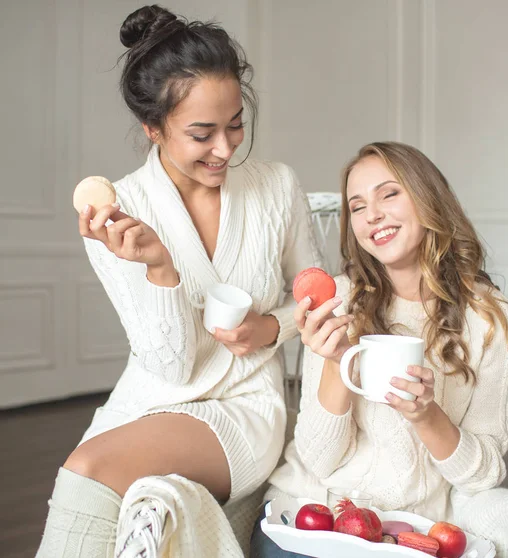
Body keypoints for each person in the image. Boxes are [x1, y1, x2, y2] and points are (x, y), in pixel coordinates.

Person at [36, 5, 321, 557]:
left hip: (245, 403)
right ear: (152, 128)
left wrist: (271, 328)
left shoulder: (277, 187)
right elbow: (170, 366)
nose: (225, 148)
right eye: (201, 133)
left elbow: (320, 293)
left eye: (235, 123)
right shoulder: (120, 211)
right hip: (150, 400)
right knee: (87, 476)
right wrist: (161, 271)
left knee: (88, 468)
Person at [250, 142, 508, 557]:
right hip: (311, 518)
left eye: (389, 194)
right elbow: (319, 462)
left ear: (427, 197)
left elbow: (482, 474)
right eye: (357, 206)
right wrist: (336, 361)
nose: (372, 215)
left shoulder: (488, 317)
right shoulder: (338, 302)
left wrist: (426, 415)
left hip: (405, 533)